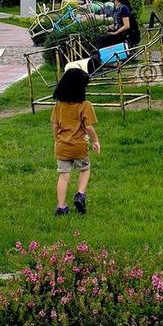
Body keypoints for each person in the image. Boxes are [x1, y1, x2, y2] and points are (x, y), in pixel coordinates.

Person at [51, 69, 100, 216]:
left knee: (63, 176)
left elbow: (55, 125)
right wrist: (96, 140)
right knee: (85, 169)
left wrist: (56, 140)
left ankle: (61, 207)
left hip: (62, 146)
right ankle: (80, 194)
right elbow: (89, 127)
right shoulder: (85, 105)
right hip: (79, 146)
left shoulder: (59, 105)